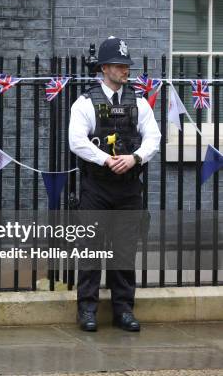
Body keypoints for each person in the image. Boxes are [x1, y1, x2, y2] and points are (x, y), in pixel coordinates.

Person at [68, 37, 161, 332]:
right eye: (120, 66)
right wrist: (106, 160)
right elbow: (76, 141)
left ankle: (124, 310)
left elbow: (154, 138)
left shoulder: (139, 102)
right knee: (92, 250)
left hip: (129, 187)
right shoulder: (84, 103)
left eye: (126, 66)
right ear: (104, 68)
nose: (125, 71)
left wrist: (134, 158)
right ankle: (87, 311)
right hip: (96, 187)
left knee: (124, 250)